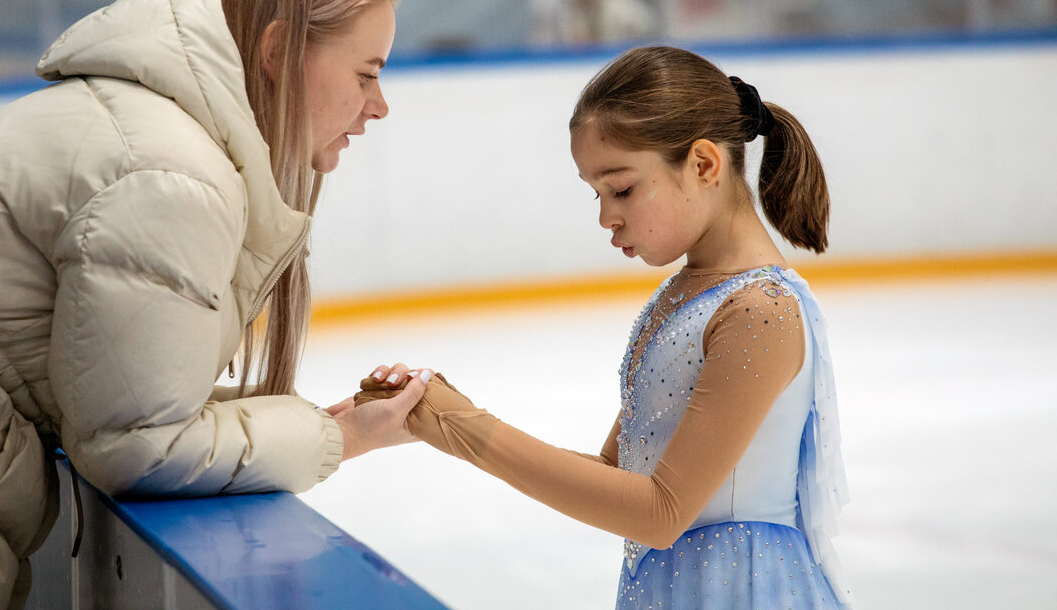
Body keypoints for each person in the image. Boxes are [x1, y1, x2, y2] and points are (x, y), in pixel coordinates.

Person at [0, 0, 426, 610]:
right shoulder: (172, 177)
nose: (379, 106)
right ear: (276, 51)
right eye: (366, 74)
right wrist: (338, 437)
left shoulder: (153, 132)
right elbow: (137, 446)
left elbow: (120, 398)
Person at [359, 46, 854, 608]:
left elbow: (659, 512)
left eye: (621, 189)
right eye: (596, 193)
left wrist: (468, 429)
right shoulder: (684, 293)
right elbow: (614, 475)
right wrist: (447, 418)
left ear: (704, 164)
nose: (605, 217)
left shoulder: (760, 311)